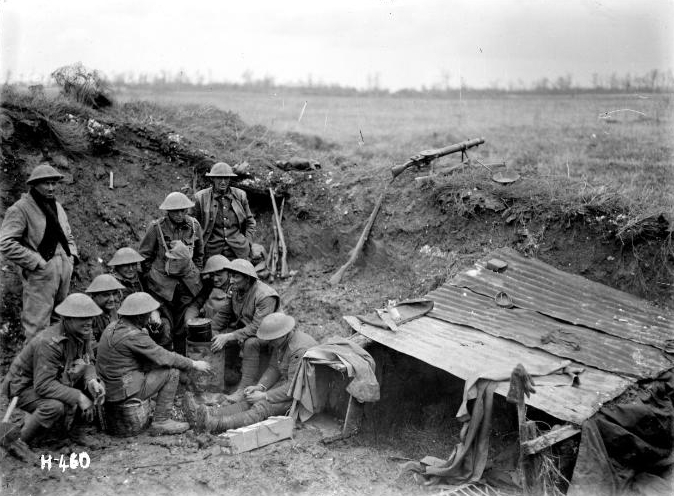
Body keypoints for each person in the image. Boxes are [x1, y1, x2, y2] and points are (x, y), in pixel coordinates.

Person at [0, 293, 106, 451]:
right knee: (54, 406)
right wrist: (78, 397)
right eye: (83, 318)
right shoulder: (48, 342)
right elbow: (43, 385)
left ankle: (74, 433)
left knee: (96, 386)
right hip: (23, 387)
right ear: (67, 319)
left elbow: (88, 362)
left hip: (54, 378)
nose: (89, 322)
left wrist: (91, 381)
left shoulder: (82, 333)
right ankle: (21, 443)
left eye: (91, 317)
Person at [95, 292, 212, 435]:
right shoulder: (134, 335)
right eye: (148, 313)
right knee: (172, 372)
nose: (151, 316)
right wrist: (193, 363)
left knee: (164, 366)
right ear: (139, 316)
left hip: (112, 388)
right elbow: (164, 356)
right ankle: (161, 420)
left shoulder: (113, 326)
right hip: (123, 391)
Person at [191, 312, 316, 433]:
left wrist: (264, 396)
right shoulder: (282, 341)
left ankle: (216, 424)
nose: (270, 343)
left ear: (283, 334)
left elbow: (293, 388)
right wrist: (260, 387)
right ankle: (210, 413)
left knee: (261, 406)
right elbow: (274, 367)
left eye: (272, 340)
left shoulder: (298, 349)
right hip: (289, 385)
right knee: (249, 400)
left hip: (303, 396)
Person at [0, 163, 78, 341]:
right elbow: (5, 243)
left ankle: (52, 367)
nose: (51, 187)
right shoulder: (20, 208)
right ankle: (35, 368)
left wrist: (71, 257)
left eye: (54, 183)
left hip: (63, 271)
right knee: (37, 327)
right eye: (46, 183)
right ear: (34, 184)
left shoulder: (57, 207)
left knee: (59, 322)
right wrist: (36, 262)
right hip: (40, 276)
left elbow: (68, 235)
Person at [139, 192, 204, 355]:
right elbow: (145, 255)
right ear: (167, 211)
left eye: (183, 210)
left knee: (183, 326)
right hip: (162, 286)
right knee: (164, 324)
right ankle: (166, 360)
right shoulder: (156, 228)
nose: (180, 214)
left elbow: (199, 255)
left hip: (187, 285)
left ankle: (182, 359)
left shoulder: (194, 226)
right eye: (175, 211)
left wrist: (194, 274)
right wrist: (152, 277)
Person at [210, 259, 280, 399]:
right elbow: (224, 314)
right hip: (247, 330)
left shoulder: (265, 295)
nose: (231, 280)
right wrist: (212, 330)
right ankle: (226, 378)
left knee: (250, 343)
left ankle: (243, 389)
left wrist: (228, 336)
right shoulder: (235, 290)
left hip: (271, 335)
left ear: (247, 278)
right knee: (219, 336)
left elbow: (258, 328)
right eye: (231, 276)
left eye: (236, 276)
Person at [108, 246, 172, 349]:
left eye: (133, 264)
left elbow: (155, 296)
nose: (131, 268)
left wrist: (155, 312)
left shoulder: (142, 278)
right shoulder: (111, 284)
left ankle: (163, 359)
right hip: (125, 325)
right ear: (117, 266)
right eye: (125, 265)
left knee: (164, 325)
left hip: (145, 320)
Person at [193, 162, 256, 261]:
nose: (223, 182)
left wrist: (248, 242)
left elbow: (250, 222)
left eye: (226, 178)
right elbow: (193, 225)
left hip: (238, 251)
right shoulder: (200, 198)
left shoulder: (240, 195)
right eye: (219, 178)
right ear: (212, 178)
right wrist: (198, 247)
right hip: (211, 252)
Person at [184, 254, 231, 324]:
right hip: (209, 324)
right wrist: (189, 320)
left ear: (228, 273)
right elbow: (196, 305)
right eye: (212, 275)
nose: (215, 279)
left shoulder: (235, 287)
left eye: (218, 275)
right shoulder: (208, 286)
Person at [85, 274, 125, 343]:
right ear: (94, 296)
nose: (112, 299)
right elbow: (91, 345)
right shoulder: (87, 315)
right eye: (106, 295)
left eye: (114, 294)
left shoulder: (117, 308)